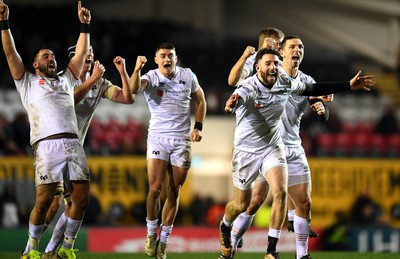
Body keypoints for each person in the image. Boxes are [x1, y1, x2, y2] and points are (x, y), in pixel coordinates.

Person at [220, 47, 374, 259]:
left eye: (275, 63)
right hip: (246, 152)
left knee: (281, 192)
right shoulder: (249, 86)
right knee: (243, 204)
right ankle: (226, 227)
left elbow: (314, 89)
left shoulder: (286, 83)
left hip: (274, 148)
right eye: (269, 63)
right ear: (258, 68)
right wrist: (231, 104)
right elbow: (235, 96)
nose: (273, 67)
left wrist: (347, 85)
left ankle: (272, 250)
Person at [0, 1, 92, 258]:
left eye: (52, 55)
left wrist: (85, 25)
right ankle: (31, 248)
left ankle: (67, 247)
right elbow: (10, 54)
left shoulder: (65, 79)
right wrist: (4, 23)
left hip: (73, 143)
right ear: (36, 64)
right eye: (45, 56)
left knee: (82, 198)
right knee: (44, 201)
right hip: (46, 144)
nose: (51, 58)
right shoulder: (27, 81)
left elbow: (81, 55)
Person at [41, 45, 134, 258]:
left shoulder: (100, 83)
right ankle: (31, 247)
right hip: (53, 149)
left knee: (73, 204)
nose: (90, 55)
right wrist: (93, 79)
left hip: (74, 152)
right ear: (74, 59)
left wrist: (122, 72)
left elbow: (127, 98)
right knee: (51, 204)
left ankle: (50, 251)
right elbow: (69, 100)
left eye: (92, 53)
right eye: (85, 53)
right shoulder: (63, 80)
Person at [130, 42, 207, 259]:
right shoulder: (152, 77)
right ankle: (150, 234)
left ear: (176, 58)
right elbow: (134, 89)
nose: (167, 59)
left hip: (182, 141)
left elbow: (201, 101)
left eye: (170, 55)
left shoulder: (188, 75)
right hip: (158, 139)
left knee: (174, 190)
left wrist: (198, 127)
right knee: (154, 189)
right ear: (156, 59)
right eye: (162, 55)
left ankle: (163, 241)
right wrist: (136, 69)